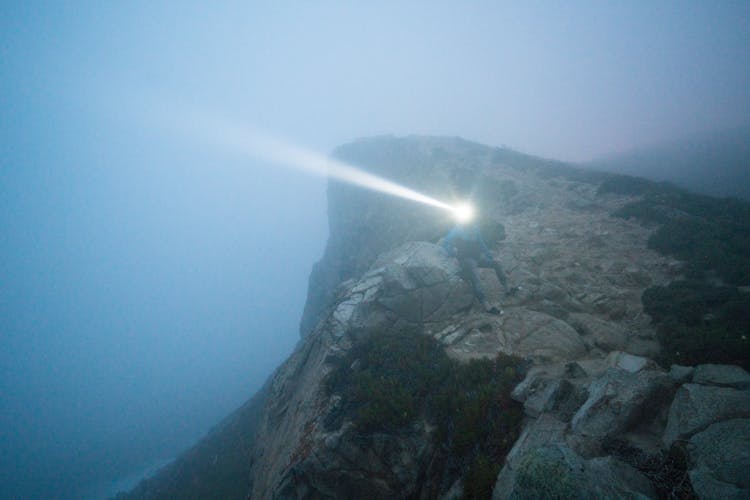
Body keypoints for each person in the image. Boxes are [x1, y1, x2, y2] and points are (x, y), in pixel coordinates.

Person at [441, 221, 509, 313]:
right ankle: (486, 305)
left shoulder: (475, 229)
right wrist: (452, 252)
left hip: (477, 257)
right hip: (466, 259)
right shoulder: (457, 230)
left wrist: (491, 257)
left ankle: (507, 288)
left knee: (496, 264)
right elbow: (445, 243)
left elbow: (481, 244)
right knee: (476, 277)